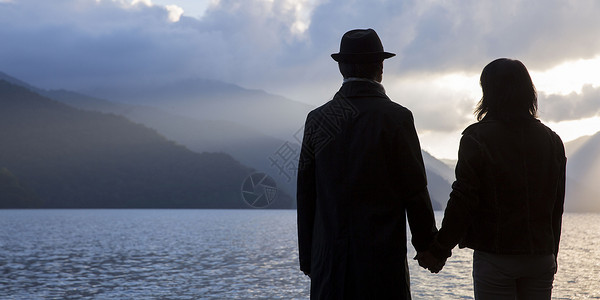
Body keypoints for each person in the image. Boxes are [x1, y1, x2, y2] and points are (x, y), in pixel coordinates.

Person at [297, 28, 439, 299]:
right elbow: (415, 189)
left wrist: (310, 259)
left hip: (329, 266)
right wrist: (427, 246)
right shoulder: (396, 117)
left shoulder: (318, 119)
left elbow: (306, 195)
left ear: (341, 68)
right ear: (380, 67)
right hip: (382, 266)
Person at [421, 58, 566, 299]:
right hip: (541, 257)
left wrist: (439, 249)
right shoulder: (552, 141)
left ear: (488, 92)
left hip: (496, 258)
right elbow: (556, 207)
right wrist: (552, 255)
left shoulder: (476, 138)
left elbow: (463, 200)